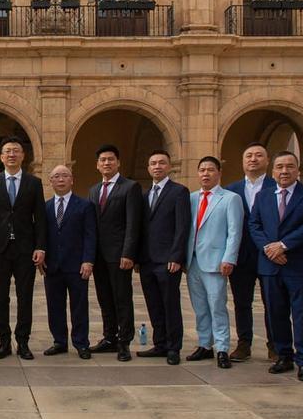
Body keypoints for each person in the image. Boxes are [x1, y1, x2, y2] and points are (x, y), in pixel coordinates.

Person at [248, 150, 303, 382]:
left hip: (298, 264)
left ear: (297, 170)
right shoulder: (263, 196)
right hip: (270, 265)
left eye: (289, 166)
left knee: (302, 314)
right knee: (275, 313)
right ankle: (283, 355)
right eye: (280, 167)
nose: (284, 171)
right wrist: (269, 249)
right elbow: (254, 225)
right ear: (273, 171)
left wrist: (283, 245)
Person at [0, 137, 47, 360]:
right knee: (0, 297)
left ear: (22, 156)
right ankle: (4, 341)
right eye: (7, 151)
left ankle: (23, 342)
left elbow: (40, 217)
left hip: (25, 249)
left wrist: (40, 247)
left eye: (16, 151)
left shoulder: (34, 183)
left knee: (24, 296)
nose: (11, 154)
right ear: (1, 157)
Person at [185, 156, 243, 369]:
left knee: (217, 305)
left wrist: (229, 258)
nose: (205, 174)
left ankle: (222, 348)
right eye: (202, 170)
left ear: (219, 172)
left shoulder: (230, 199)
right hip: (193, 262)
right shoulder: (191, 198)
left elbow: (234, 232)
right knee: (199, 306)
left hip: (216, 262)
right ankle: (204, 344)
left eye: (210, 170)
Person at [89, 143, 144, 361]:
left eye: (111, 159)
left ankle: (124, 342)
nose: (107, 163)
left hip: (120, 255)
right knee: (104, 298)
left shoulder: (130, 187)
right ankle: (109, 337)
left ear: (118, 162)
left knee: (122, 299)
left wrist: (129, 253)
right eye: (102, 160)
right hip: (98, 256)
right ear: (97, 165)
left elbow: (133, 223)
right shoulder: (94, 190)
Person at [136, 150, 190, 366]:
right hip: (147, 261)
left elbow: (182, 227)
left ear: (169, 166)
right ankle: (160, 344)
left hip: (168, 260)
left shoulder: (179, 192)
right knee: (154, 304)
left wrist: (177, 256)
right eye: (153, 163)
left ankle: (173, 347)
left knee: (170, 304)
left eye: (161, 163)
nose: (157, 166)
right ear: (148, 168)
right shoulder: (144, 195)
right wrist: (137, 258)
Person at [225, 142, 276, 362]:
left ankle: (275, 344)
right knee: (241, 302)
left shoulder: (276, 186)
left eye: (258, 155)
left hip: (270, 255)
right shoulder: (231, 190)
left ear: (267, 160)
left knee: (272, 302)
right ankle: (244, 343)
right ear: (243, 161)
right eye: (249, 156)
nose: (253, 159)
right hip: (241, 255)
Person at [40, 165, 96, 359]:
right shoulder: (45, 207)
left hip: (77, 265)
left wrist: (88, 260)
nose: (61, 179)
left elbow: (90, 235)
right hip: (52, 265)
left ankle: (81, 343)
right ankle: (59, 341)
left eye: (65, 176)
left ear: (72, 180)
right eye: (56, 176)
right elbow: (41, 235)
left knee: (79, 306)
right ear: (51, 181)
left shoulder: (85, 205)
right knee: (54, 305)